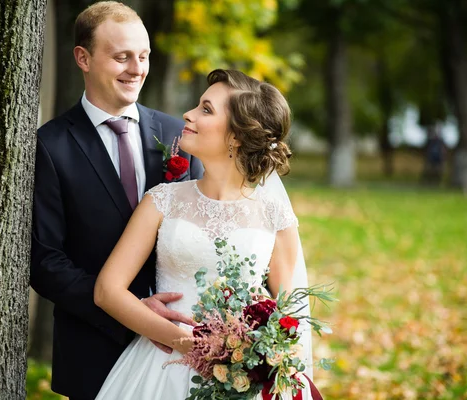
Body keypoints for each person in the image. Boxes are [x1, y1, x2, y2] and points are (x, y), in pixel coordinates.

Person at [93, 69, 318, 399]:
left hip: (243, 376)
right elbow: (107, 291)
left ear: (237, 136)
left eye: (206, 109)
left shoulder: (274, 215)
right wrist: (187, 344)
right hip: (161, 367)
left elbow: (291, 316)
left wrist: (254, 349)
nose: (189, 114)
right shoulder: (162, 201)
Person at [29, 2, 203, 399]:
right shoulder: (50, 146)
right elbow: (45, 261)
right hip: (95, 347)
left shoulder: (181, 136)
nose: (137, 69)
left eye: (143, 56)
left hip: (182, 348)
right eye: (121, 57)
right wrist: (134, 312)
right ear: (83, 58)